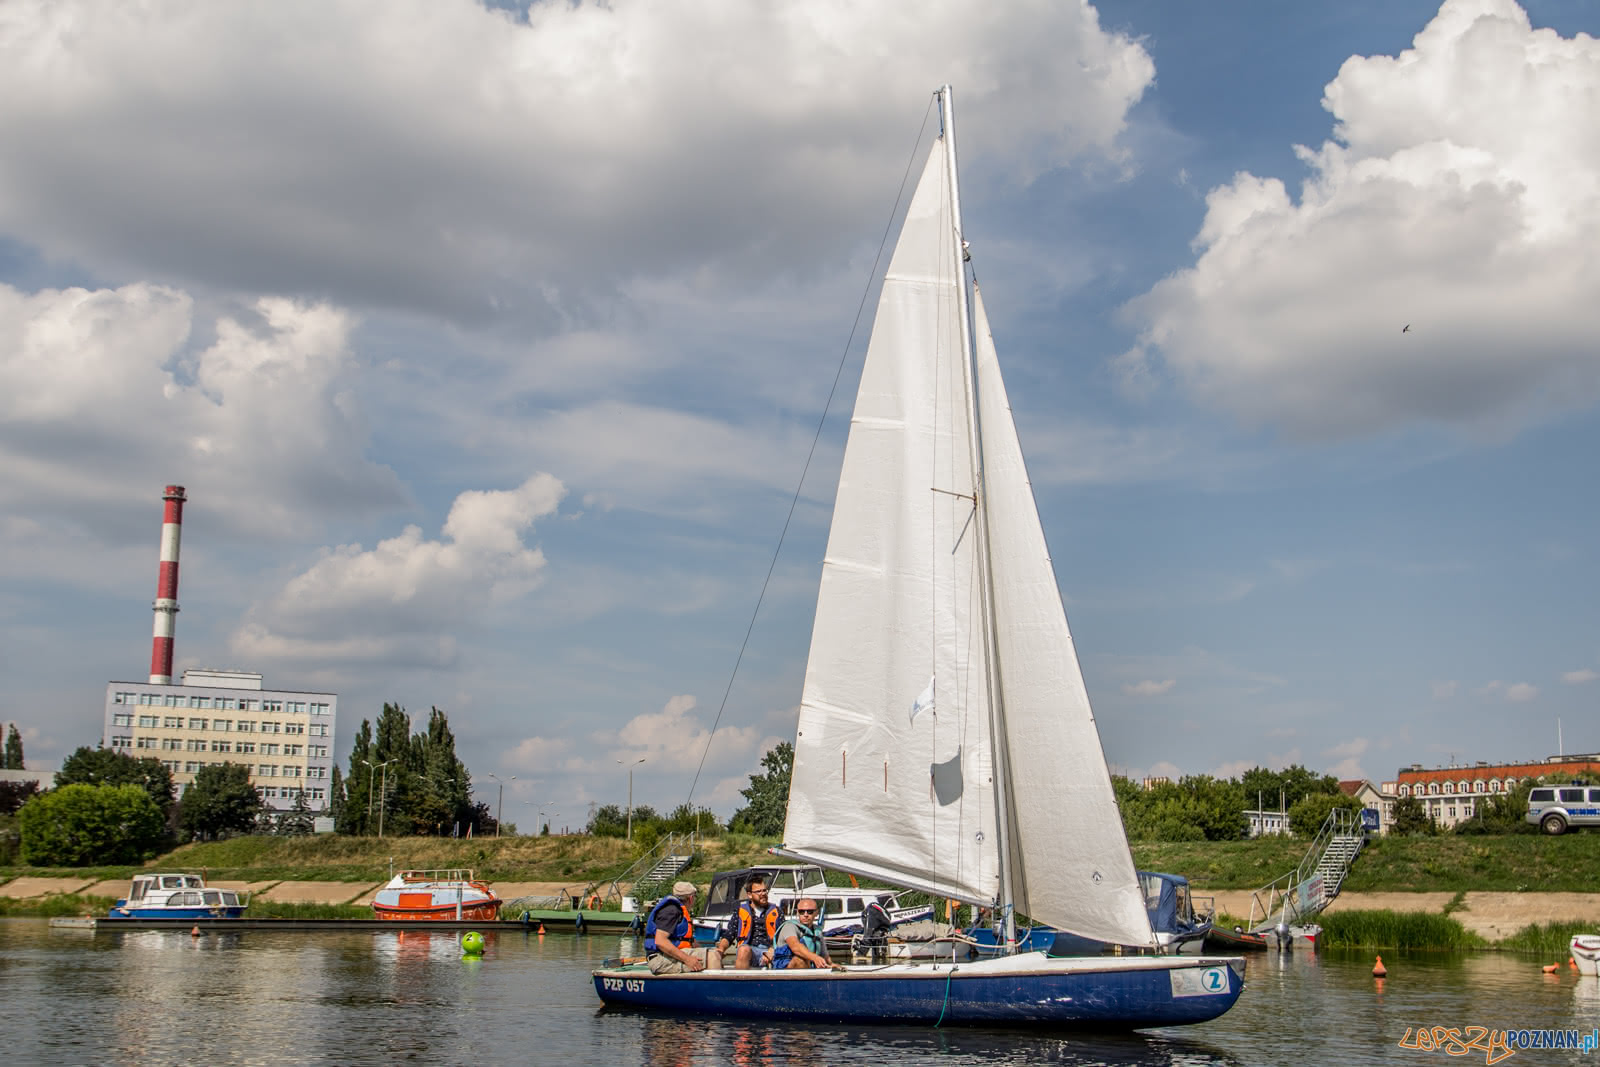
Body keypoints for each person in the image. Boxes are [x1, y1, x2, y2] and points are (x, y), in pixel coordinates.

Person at [644, 880, 723, 974]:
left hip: (668, 957)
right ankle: (716, 988)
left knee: (714, 953)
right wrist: (687, 959)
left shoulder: (678, 911)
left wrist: (708, 950)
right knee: (712, 957)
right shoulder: (671, 911)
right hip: (660, 959)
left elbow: (689, 941)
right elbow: (661, 941)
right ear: (691, 898)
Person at [715, 874, 781, 969]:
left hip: (771, 951)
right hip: (749, 950)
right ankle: (739, 982)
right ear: (750, 895)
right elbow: (729, 934)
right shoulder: (740, 912)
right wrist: (720, 950)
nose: (763, 894)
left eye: (764, 890)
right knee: (744, 949)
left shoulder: (777, 911)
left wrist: (773, 949)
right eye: (758, 891)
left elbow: (783, 936)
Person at [771, 898, 842, 970]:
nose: (805, 915)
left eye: (810, 912)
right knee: (799, 960)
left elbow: (825, 955)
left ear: (816, 913)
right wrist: (815, 958)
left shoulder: (817, 931)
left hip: (810, 968)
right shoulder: (789, 926)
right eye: (801, 911)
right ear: (798, 913)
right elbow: (795, 947)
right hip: (785, 967)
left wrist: (831, 964)